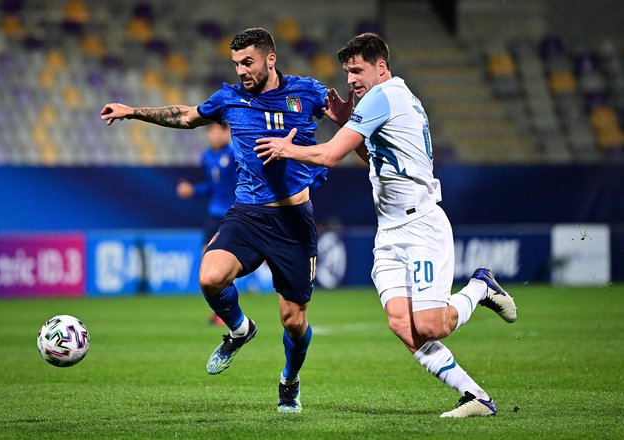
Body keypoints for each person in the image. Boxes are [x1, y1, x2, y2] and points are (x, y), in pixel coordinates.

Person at [255, 33, 518, 418]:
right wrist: (348, 120)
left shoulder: (385, 96)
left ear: (381, 67)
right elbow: (376, 159)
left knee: (430, 325)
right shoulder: (392, 99)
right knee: (402, 325)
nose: (351, 81)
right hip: (390, 230)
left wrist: (286, 149)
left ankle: (480, 286)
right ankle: (475, 397)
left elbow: (329, 155)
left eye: (357, 70)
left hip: (421, 224)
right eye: (347, 73)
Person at [100, 27, 329, 413]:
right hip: (248, 215)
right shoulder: (230, 98)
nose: (241, 70)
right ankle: (240, 330)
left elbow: (351, 126)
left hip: (294, 221)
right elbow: (186, 116)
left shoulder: (308, 92)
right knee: (209, 276)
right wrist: (133, 112)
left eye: (248, 62)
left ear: (270, 60)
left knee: (293, 321)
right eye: (236, 63)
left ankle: (289, 381)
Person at [176, 123, 236, 326]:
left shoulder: (236, 153)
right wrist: (193, 190)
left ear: (226, 132)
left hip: (234, 213)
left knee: (225, 264)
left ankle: (225, 312)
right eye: (210, 132)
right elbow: (212, 185)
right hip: (214, 213)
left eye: (218, 131)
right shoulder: (207, 157)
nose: (214, 135)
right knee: (207, 261)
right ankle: (218, 310)